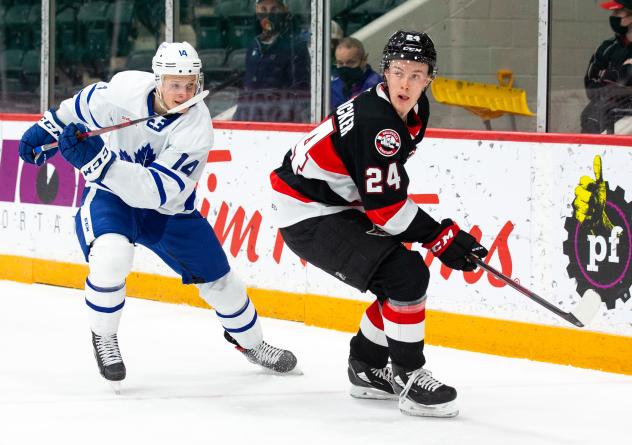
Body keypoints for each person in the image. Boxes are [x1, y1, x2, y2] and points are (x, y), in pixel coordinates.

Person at [17, 41, 297, 391]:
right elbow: (85, 104)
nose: (183, 93)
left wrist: (97, 163)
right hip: (112, 198)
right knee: (112, 257)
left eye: (190, 84)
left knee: (222, 283)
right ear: (157, 80)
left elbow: (156, 191)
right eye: (174, 84)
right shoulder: (125, 88)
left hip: (168, 211)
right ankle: (104, 338)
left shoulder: (197, 127)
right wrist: (50, 126)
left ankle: (252, 344)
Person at [269, 30, 488, 418]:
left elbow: (382, 190)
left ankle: (366, 367)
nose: (406, 83)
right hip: (307, 212)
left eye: (417, 74)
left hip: (332, 201)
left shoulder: (411, 110)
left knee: (400, 278)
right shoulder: (378, 123)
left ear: (430, 78)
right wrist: (439, 237)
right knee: (404, 275)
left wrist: (437, 236)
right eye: (399, 71)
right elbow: (386, 210)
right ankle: (408, 376)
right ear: (384, 71)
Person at [233, 0, 310, 123]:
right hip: (249, 121)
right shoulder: (254, 45)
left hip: (278, 123)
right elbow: (247, 89)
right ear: (257, 10)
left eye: (274, 9)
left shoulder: (296, 46)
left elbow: (301, 93)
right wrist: (237, 118)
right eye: (263, 9)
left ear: (285, 10)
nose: (268, 14)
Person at [581, 0, 632, 133]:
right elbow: (591, 87)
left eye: (617, 12)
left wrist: (611, 78)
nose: (613, 16)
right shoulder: (607, 48)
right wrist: (619, 77)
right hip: (604, 114)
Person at [331, 37, 382, 110]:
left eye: (350, 63)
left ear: (364, 60)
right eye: (340, 63)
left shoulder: (377, 87)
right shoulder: (333, 87)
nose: (345, 68)